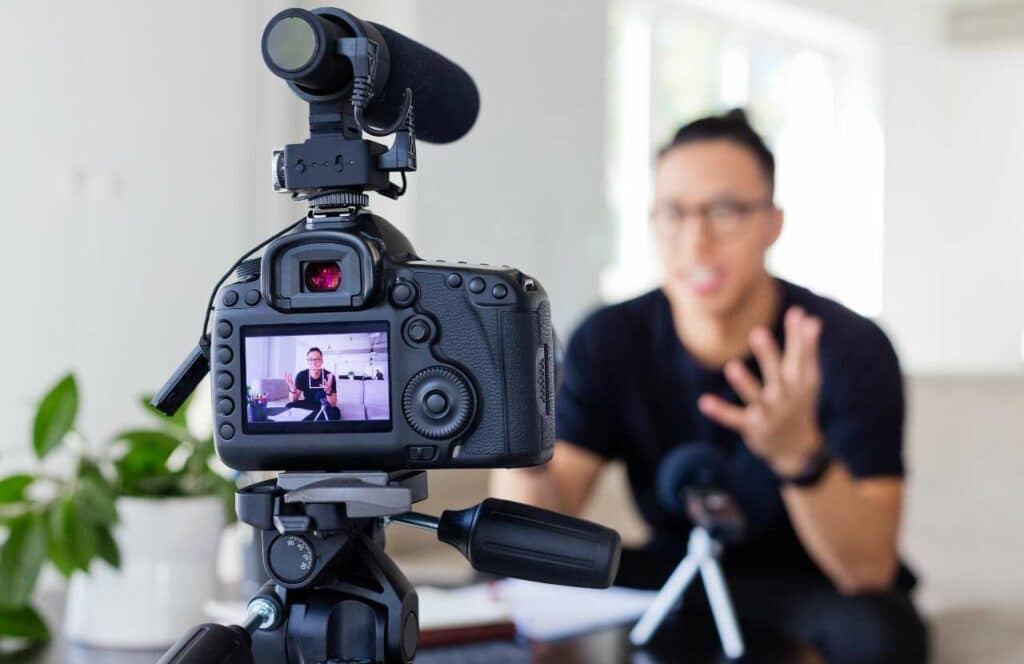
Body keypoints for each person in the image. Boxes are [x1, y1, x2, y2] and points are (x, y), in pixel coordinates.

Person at [491, 110, 928, 663]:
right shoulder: (611, 337)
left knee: (879, 633)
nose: (696, 242)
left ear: (773, 223)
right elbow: (536, 541)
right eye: (674, 213)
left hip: (811, 584)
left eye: (725, 211)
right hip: (675, 570)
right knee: (508, 613)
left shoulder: (847, 345)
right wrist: (518, 442)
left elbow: (869, 569)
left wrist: (801, 456)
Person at [284, 347, 341, 421]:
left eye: (317, 359)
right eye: (310, 359)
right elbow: (293, 400)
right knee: (288, 406)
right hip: (307, 404)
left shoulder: (329, 376)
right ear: (307, 361)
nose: (314, 362)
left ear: (322, 361)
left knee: (335, 413)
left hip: (323, 404)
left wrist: (328, 391)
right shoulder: (301, 375)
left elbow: (333, 403)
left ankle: (309, 417)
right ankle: (314, 417)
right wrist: (292, 389)